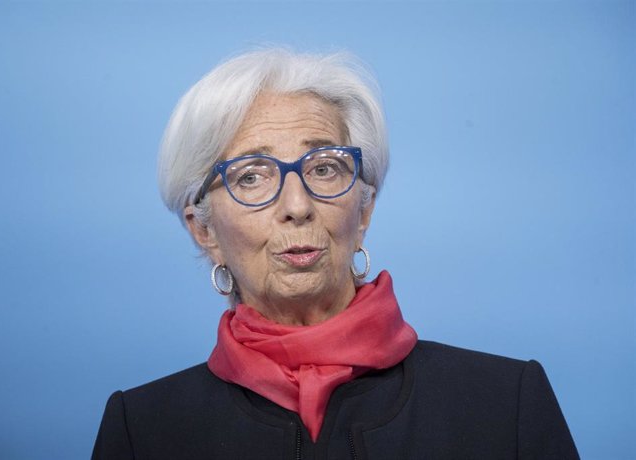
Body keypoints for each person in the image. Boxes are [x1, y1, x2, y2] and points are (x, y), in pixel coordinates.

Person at [92, 48, 579, 459]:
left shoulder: (506, 404)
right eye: (251, 176)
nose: (298, 206)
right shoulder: (143, 430)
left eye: (324, 168)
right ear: (204, 230)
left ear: (363, 208)